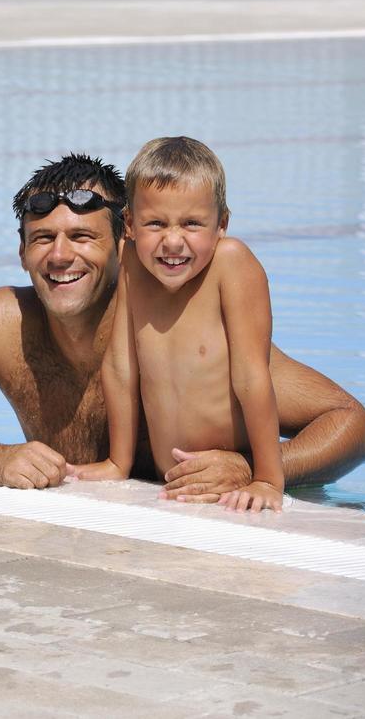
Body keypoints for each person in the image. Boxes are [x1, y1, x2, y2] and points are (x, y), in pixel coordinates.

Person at [0, 154, 365, 500]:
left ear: (123, 243)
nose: (60, 256)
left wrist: (252, 468)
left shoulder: (176, 323)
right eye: (43, 238)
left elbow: (353, 425)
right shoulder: (5, 324)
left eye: (83, 237)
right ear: (21, 250)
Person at [73, 138, 283, 511]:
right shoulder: (132, 265)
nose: (173, 241)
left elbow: (252, 377)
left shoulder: (231, 264)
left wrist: (266, 478)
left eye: (191, 224)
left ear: (221, 224)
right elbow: (122, 366)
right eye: (156, 223)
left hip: (229, 479)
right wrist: (118, 463)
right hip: (170, 485)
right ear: (130, 224)